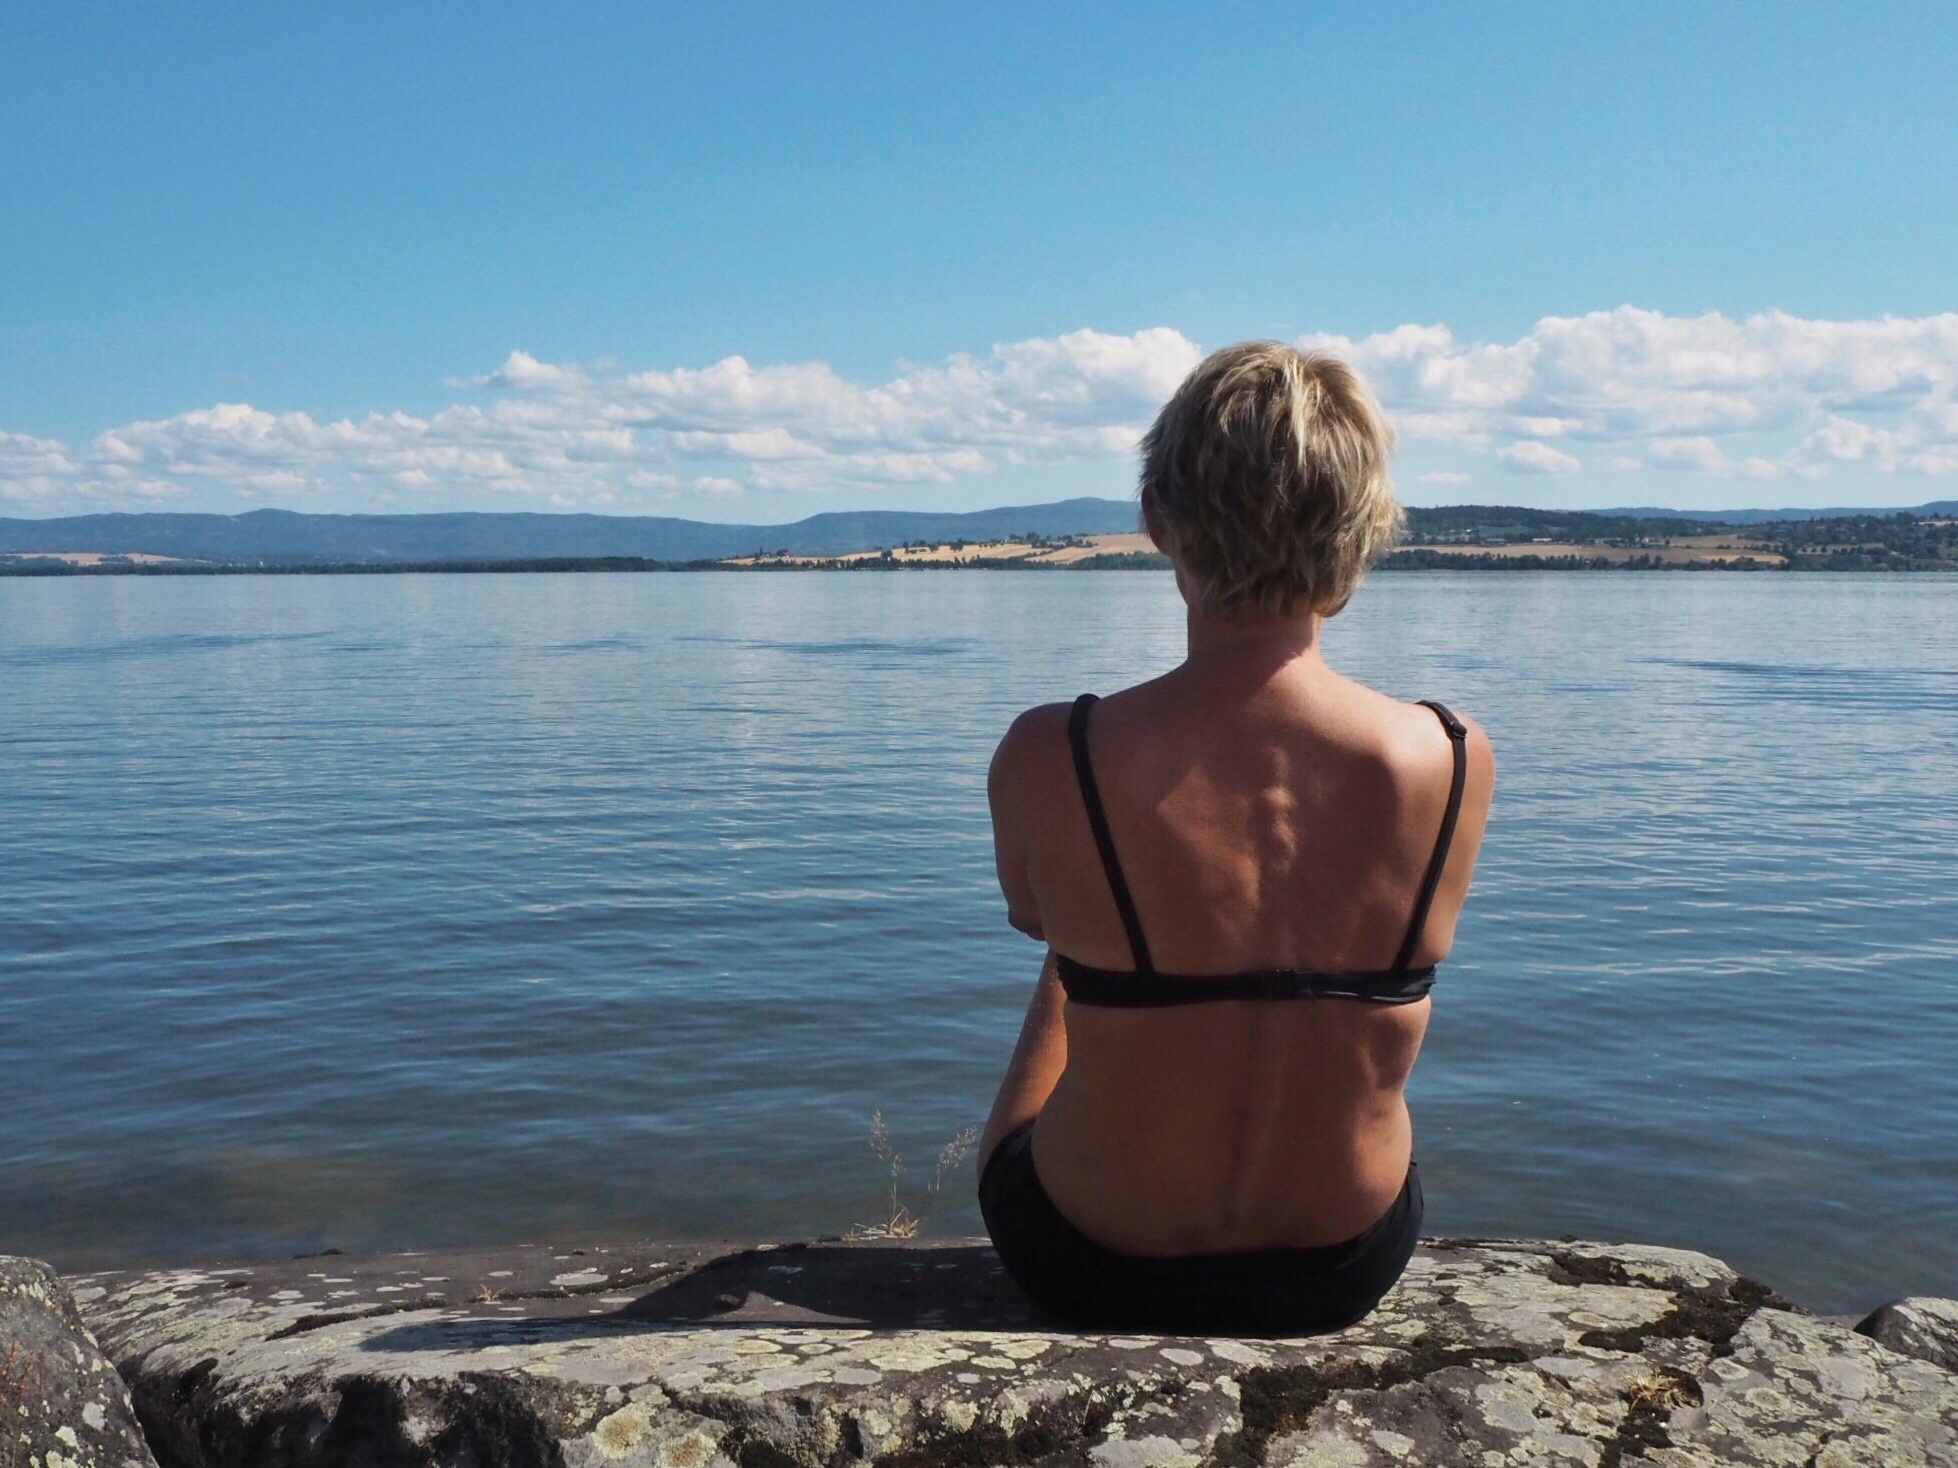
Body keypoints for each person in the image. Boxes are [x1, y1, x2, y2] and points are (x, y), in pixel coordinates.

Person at [976, 341, 1495, 1334]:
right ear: (1360, 536)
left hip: (1086, 1256)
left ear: (1155, 519)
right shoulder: (1451, 754)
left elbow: (1030, 913)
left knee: (1077, 945)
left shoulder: (1057, 749)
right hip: (1343, 1263)